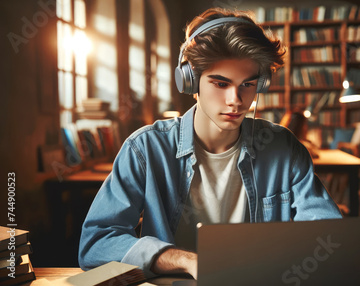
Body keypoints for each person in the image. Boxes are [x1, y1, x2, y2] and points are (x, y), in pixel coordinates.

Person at [79, 8, 342, 279]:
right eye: (220, 83)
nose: (236, 100)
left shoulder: (283, 148)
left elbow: (329, 237)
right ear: (190, 82)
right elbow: (96, 243)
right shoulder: (145, 148)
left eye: (247, 84)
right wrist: (185, 261)